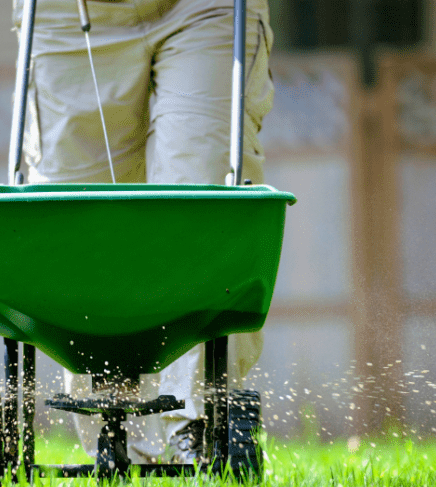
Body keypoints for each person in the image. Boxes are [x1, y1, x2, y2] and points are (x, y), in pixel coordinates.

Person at [14, 0, 273, 463]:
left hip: (204, 9)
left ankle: (199, 427)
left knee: (203, 186)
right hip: (69, 13)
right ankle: (114, 435)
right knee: (80, 219)